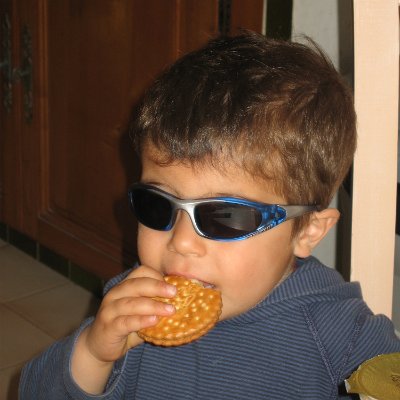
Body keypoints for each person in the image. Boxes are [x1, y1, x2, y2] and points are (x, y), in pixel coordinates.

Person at [20, 31, 400, 399]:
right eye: (158, 204)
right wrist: (93, 353)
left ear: (307, 232)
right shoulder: (137, 306)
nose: (181, 242)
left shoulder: (343, 334)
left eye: (225, 216)